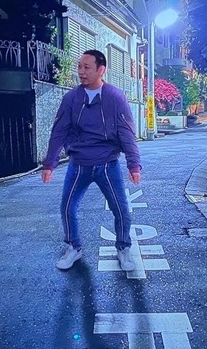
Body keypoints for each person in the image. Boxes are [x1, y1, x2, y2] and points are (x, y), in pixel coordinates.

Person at [41, 49, 142, 271]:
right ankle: (73, 247)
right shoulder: (71, 98)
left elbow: (126, 132)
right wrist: (50, 164)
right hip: (78, 164)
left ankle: (123, 247)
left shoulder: (115, 97)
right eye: (79, 66)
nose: (81, 71)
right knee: (67, 207)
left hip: (107, 164)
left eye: (87, 67)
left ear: (101, 69)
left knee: (121, 209)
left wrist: (133, 165)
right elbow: (59, 131)